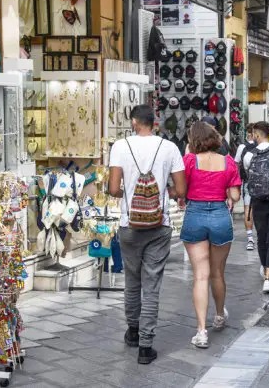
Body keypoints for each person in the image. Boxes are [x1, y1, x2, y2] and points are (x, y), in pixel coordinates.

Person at [108, 104, 186, 364]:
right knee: (151, 285)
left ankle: (132, 331)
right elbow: (181, 188)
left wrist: (130, 195)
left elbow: (113, 188)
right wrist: (162, 195)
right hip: (159, 224)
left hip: (129, 225)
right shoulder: (169, 148)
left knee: (132, 280)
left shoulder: (120, 146)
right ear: (155, 123)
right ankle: (146, 345)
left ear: (133, 122)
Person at [180, 121, 241, 349]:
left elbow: (181, 189)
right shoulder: (228, 162)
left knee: (200, 276)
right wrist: (224, 187)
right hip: (219, 215)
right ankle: (218, 315)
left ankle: (201, 331)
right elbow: (234, 196)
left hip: (195, 214)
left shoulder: (189, 161)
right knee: (217, 273)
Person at [244, 121, 269, 293]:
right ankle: (268, 278)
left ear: (257, 135)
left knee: (261, 238)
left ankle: (263, 267)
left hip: (257, 201)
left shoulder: (248, 155)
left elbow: (247, 176)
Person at [234, 123, 256, 250]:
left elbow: (236, 164)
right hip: (263, 184)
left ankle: (250, 238)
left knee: (248, 208)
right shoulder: (264, 146)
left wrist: (237, 181)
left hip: (248, 182)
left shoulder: (242, 147)